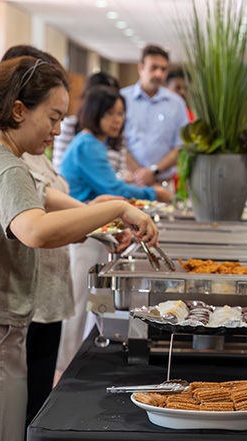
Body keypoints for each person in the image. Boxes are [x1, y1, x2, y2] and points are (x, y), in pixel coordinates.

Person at [0, 55, 158, 441]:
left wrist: (99, 216)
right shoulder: (4, 164)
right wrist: (118, 208)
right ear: (19, 109)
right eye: (52, 118)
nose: (57, 132)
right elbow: (34, 230)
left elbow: (41, 204)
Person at [57, 85, 171, 372]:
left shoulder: (96, 143)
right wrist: (157, 193)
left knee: (87, 305)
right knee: (77, 306)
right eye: (110, 113)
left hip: (91, 230)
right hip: (82, 233)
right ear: (94, 113)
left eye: (121, 113)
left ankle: (74, 366)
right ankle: (68, 372)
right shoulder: (87, 144)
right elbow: (113, 189)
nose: (117, 119)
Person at [120, 45, 189, 184]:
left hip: (162, 182)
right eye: (154, 68)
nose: (159, 74)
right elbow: (116, 142)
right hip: (128, 181)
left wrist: (153, 171)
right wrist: (140, 174)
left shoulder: (177, 103)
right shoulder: (122, 99)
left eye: (163, 69)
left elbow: (181, 145)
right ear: (141, 68)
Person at [51, 71, 128, 177]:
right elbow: (60, 170)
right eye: (109, 111)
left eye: (119, 113)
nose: (117, 119)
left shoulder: (116, 131)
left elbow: (120, 171)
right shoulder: (84, 139)